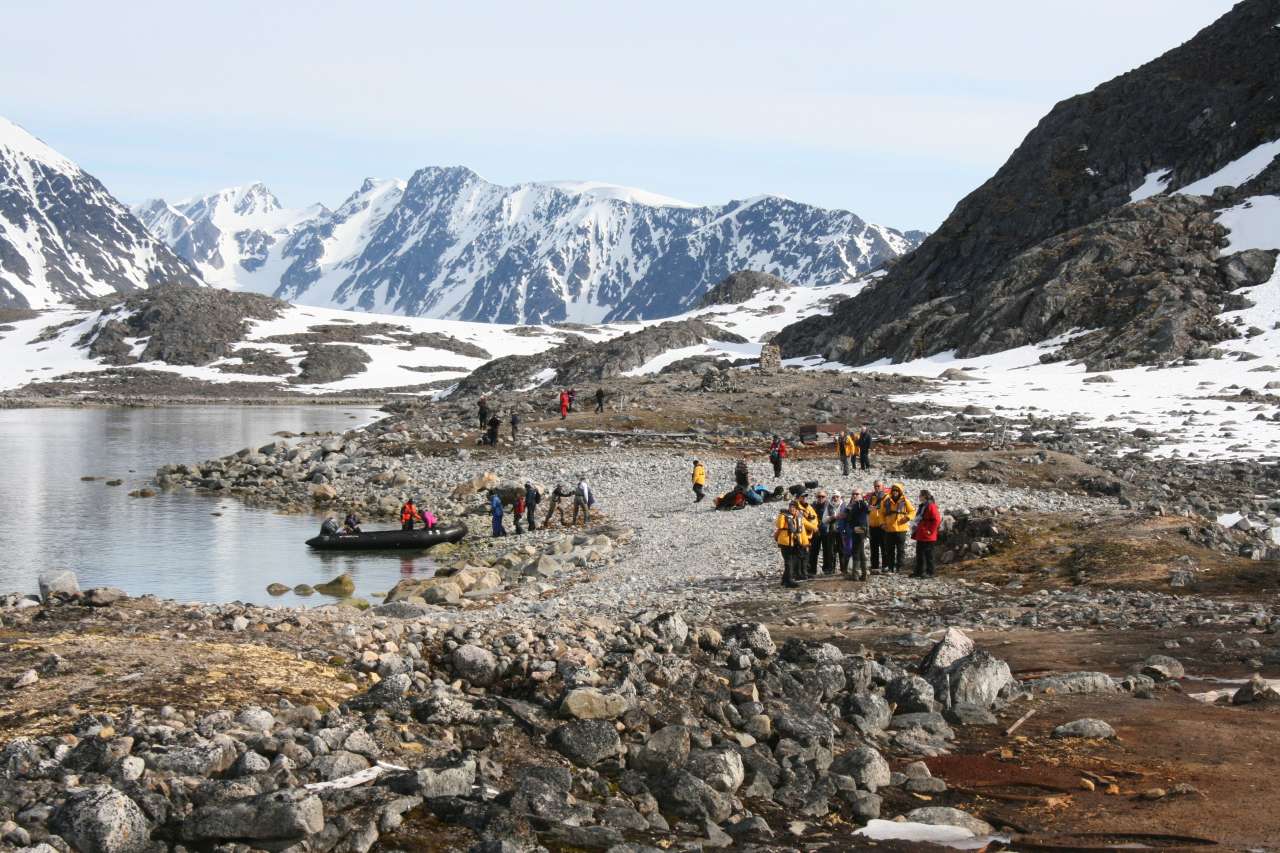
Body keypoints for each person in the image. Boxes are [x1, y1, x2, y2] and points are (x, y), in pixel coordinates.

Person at [881, 482, 915, 574]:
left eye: (897, 490)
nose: (895, 492)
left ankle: (900, 567)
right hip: (889, 529)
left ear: (900, 491)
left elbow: (912, 511)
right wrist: (882, 523)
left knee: (901, 550)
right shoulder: (886, 501)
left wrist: (907, 518)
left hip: (901, 529)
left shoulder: (905, 501)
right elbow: (881, 514)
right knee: (889, 550)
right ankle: (891, 567)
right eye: (893, 490)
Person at [912, 489, 942, 578]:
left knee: (929, 554)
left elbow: (937, 519)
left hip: (928, 534)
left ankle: (930, 572)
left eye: (920, 495)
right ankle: (919, 571)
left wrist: (931, 531)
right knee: (920, 553)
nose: (919, 497)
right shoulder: (923, 506)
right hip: (922, 533)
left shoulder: (931, 506)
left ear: (924, 496)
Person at [842, 490, 871, 579]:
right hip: (856, 529)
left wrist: (862, 502)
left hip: (860, 529)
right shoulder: (853, 505)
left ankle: (856, 574)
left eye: (857, 494)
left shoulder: (861, 504)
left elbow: (867, 510)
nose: (854, 496)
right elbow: (847, 516)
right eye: (853, 494)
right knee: (860, 551)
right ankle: (863, 574)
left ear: (861, 495)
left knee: (856, 550)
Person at [808, 490, 834, 576]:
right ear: (816, 497)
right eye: (819, 496)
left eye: (823, 496)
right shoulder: (812, 506)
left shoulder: (830, 506)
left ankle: (828, 569)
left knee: (828, 550)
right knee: (813, 551)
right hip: (815, 531)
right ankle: (811, 570)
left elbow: (834, 517)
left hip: (826, 531)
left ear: (826, 497)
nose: (820, 498)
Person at [866, 482, 887, 573]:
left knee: (884, 547)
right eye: (875, 486)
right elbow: (867, 510)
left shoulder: (886, 498)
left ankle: (885, 565)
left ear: (883, 487)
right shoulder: (871, 497)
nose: (877, 488)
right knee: (873, 547)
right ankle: (875, 566)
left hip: (882, 526)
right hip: (872, 526)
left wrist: (877, 508)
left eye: (878, 486)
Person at [822, 491, 845, 575]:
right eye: (834, 497)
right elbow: (823, 520)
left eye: (837, 497)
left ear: (840, 497)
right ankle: (831, 568)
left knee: (842, 550)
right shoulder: (829, 506)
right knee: (831, 550)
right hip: (831, 531)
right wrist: (831, 517)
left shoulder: (844, 506)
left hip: (842, 531)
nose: (835, 498)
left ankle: (844, 569)